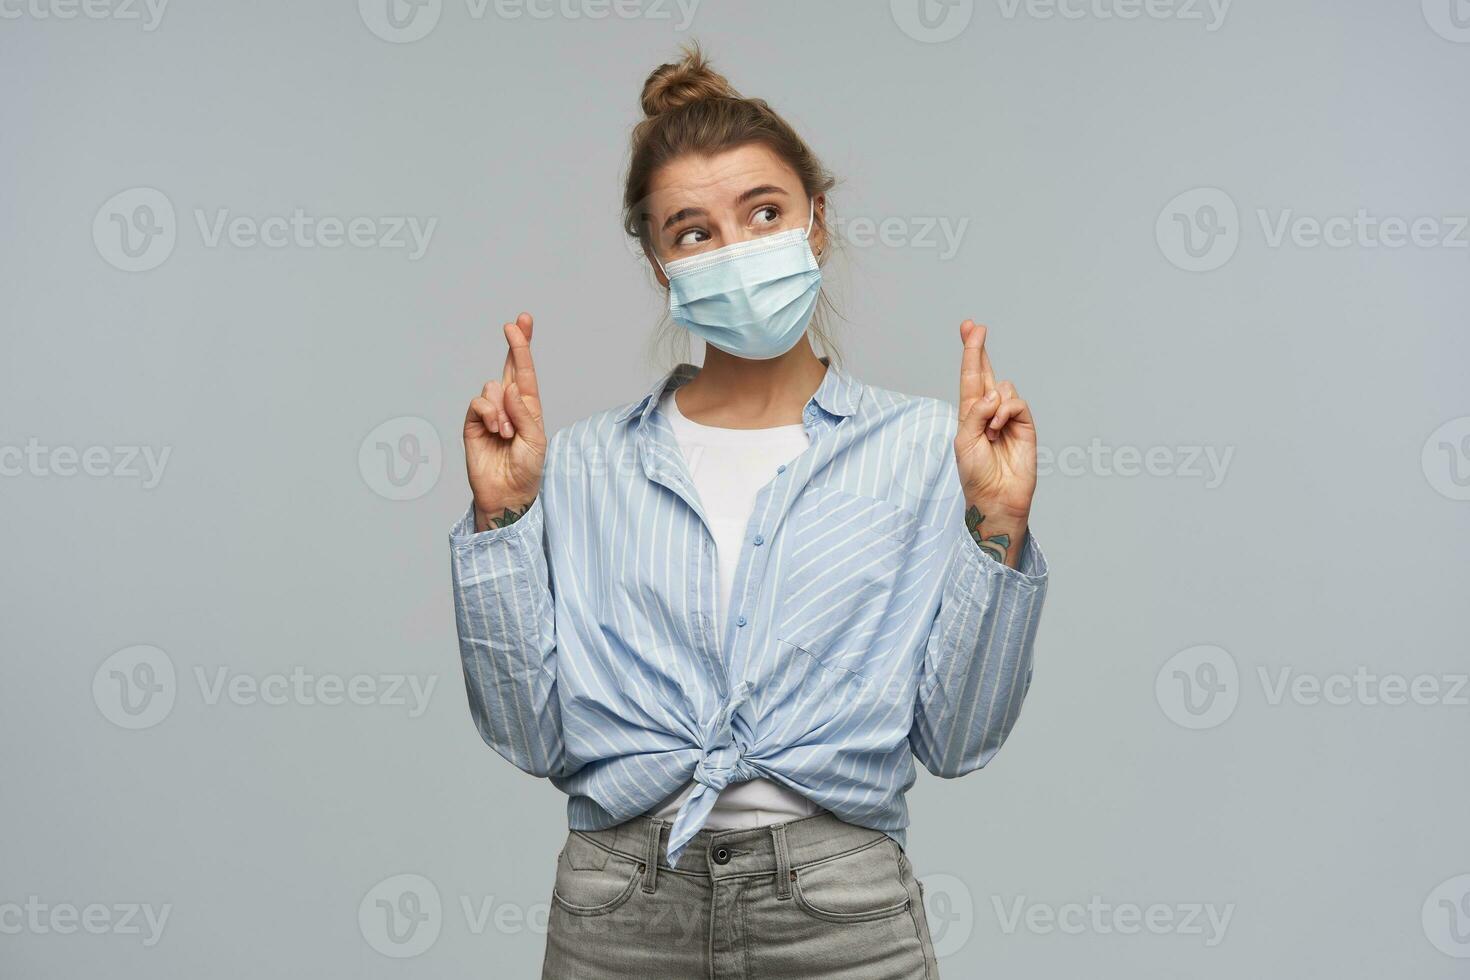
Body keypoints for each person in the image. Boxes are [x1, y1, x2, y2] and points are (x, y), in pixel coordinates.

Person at [449, 43, 1049, 980]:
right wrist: (503, 519)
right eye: (693, 232)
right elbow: (527, 737)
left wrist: (997, 522)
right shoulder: (583, 465)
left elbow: (961, 738)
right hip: (620, 909)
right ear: (659, 263)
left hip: (841, 910)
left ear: (816, 223)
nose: (736, 250)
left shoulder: (930, 451)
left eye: (764, 213)